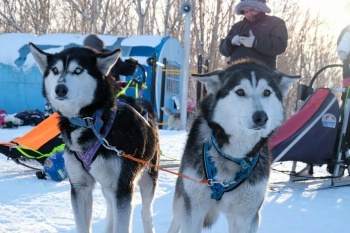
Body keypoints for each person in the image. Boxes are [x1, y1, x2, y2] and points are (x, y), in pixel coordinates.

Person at [219, 0, 288, 70]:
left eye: (252, 10)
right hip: (236, 73)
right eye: (246, 12)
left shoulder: (275, 23)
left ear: (260, 8)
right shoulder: (237, 27)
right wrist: (230, 42)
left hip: (262, 73)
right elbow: (223, 50)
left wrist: (256, 42)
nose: (249, 14)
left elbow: (280, 45)